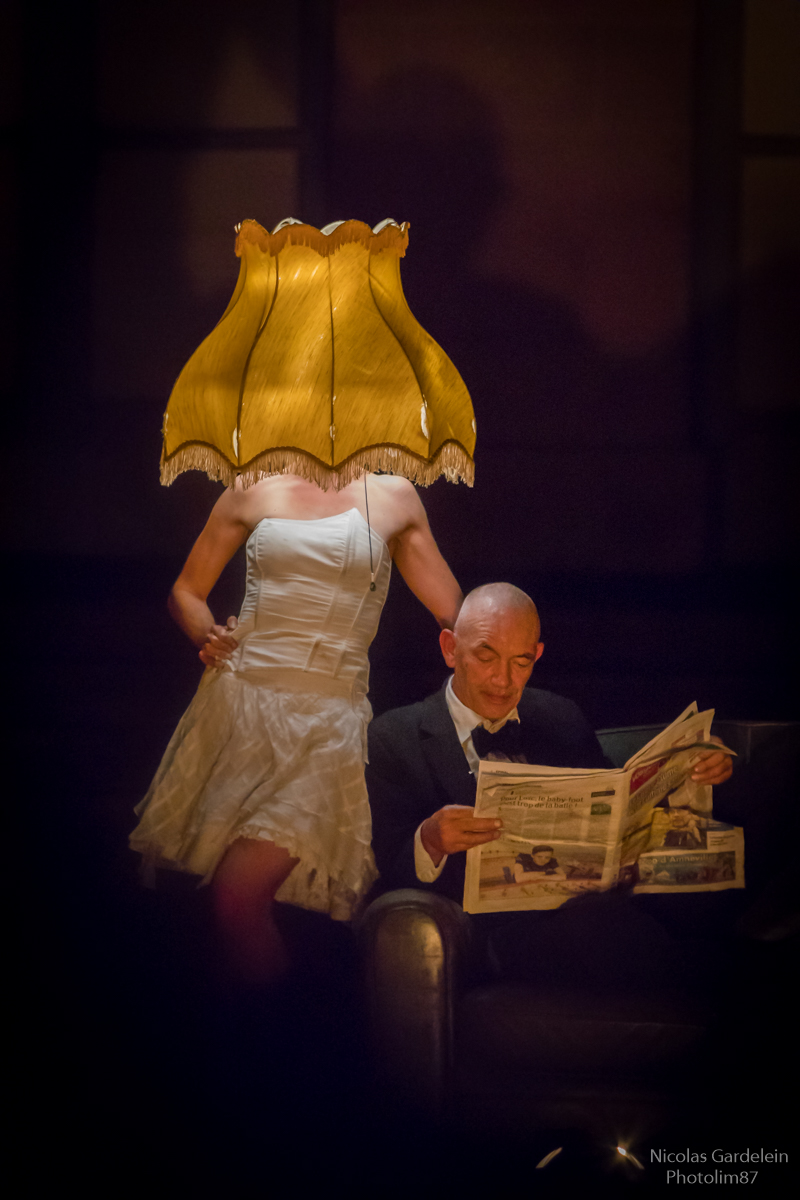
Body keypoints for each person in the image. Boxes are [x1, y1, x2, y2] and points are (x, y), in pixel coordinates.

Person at [130, 472, 462, 984]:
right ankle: (254, 1022)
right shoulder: (251, 485)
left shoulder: (393, 497)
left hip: (326, 722)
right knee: (213, 906)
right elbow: (186, 591)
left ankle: (281, 1025)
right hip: (240, 704)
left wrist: (499, 660)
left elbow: (456, 615)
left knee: (238, 894)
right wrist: (206, 634)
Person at [366, 582, 734, 987]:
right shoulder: (393, 737)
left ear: (537, 655)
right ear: (450, 649)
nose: (503, 679)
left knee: (702, 894)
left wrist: (688, 771)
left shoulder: (561, 717)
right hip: (493, 935)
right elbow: (382, 872)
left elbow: (620, 809)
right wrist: (430, 841)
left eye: (521, 662)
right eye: (486, 656)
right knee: (600, 925)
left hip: (593, 908)